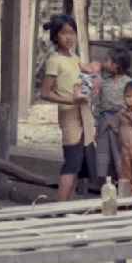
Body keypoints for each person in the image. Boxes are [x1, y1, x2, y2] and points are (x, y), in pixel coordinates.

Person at [39, 14, 96, 201]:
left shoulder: (74, 57)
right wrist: (71, 100)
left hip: (83, 112)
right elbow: (45, 93)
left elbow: (84, 78)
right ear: (56, 36)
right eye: (64, 33)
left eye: (72, 33)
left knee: (78, 163)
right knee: (71, 162)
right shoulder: (54, 60)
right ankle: (60, 207)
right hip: (69, 114)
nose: (69, 37)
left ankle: (67, 206)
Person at [95, 45, 132, 180]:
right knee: (103, 153)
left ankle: (123, 183)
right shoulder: (103, 82)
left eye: (107, 60)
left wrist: (121, 116)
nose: (104, 63)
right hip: (104, 122)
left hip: (121, 122)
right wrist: (96, 124)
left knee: (119, 153)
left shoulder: (129, 83)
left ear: (116, 65)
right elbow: (98, 103)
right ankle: (103, 184)